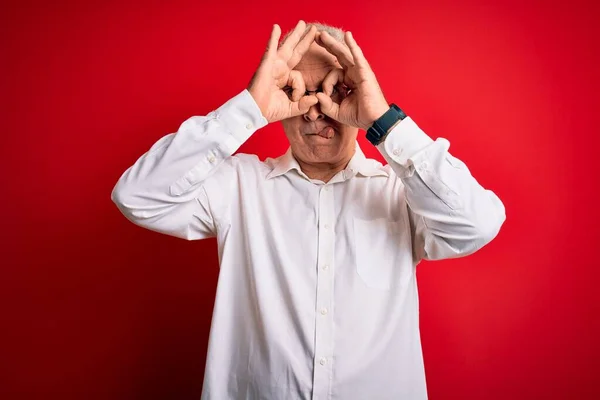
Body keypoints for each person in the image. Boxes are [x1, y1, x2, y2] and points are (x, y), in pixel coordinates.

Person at [112, 20, 506, 400]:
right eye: (300, 90)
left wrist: (383, 119)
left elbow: (478, 225)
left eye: (333, 92)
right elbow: (137, 196)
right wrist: (250, 107)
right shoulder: (238, 186)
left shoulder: (401, 192)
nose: (315, 111)